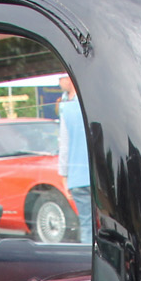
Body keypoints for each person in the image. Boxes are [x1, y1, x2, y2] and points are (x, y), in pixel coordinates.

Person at [55, 75, 90, 240]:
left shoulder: (66, 108)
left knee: (87, 225)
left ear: (69, 78)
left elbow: (64, 145)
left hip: (78, 177)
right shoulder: (91, 103)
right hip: (99, 179)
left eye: (60, 77)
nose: (58, 82)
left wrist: (64, 175)